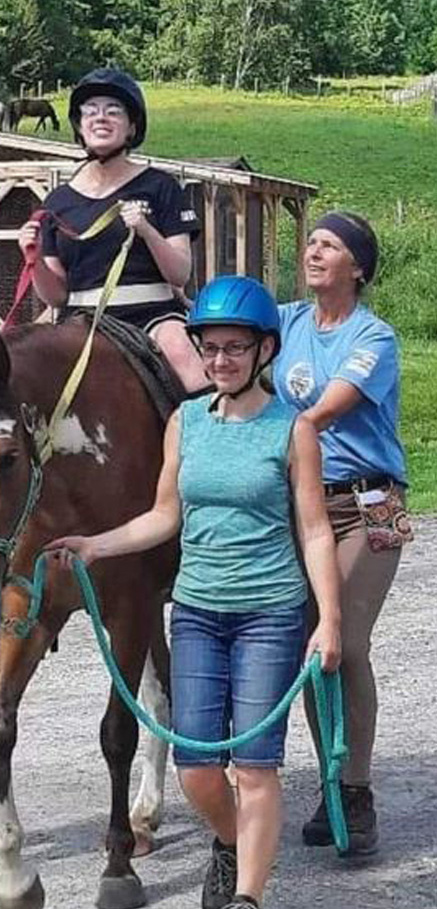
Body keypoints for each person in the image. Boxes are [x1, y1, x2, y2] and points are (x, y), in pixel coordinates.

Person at [46, 276, 342, 909]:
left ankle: (249, 896)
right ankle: (240, 845)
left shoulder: (293, 432)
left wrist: (330, 621)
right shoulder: (185, 422)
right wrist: (96, 544)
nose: (220, 360)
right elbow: (163, 516)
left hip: (270, 612)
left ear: (264, 351)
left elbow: (316, 532)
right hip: (198, 613)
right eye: (209, 348)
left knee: (256, 766)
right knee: (197, 770)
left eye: (235, 347)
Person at [273, 211, 411, 856]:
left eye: (329, 245)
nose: (314, 251)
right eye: (311, 242)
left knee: (344, 642)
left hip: (368, 502)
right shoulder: (287, 321)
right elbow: (225, 344)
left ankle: (356, 792)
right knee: (311, 648)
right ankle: (331, 779)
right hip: (303, 504)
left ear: (357, 266)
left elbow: (324, 411)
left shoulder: (372, 336)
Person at [17, 67, 207, 392]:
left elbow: (180, 274)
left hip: (151, 316)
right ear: (79, 125)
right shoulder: (56, 202)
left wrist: (146, 230)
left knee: (188, 361)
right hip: (80, 321)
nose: (100, 118)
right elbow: (56, 295)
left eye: (113, 111)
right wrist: (32, 260)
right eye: (90, 111)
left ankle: (213, 438)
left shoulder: (160, 187)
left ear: (132, 126)